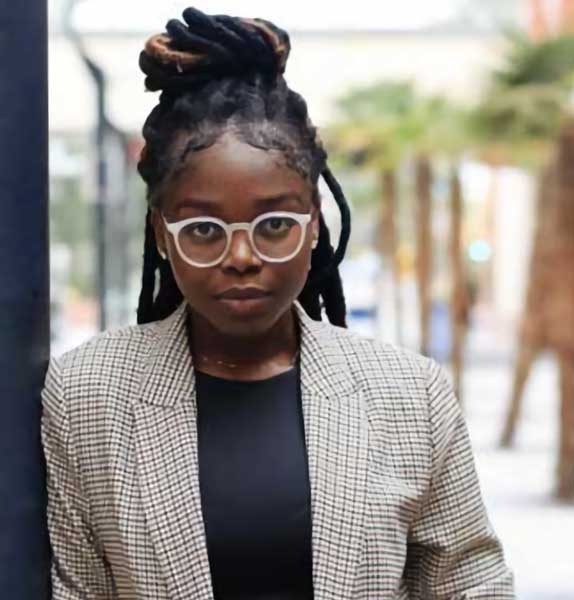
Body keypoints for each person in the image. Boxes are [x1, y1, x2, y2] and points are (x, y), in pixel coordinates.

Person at [41, 7, 515, 599]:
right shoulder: (86, 393)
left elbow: (469, 585)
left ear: (314, 225)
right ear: (163, 237)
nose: (242, 256)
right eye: (204, 230)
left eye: (273, 225)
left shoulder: (409, 394)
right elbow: (75, 590)